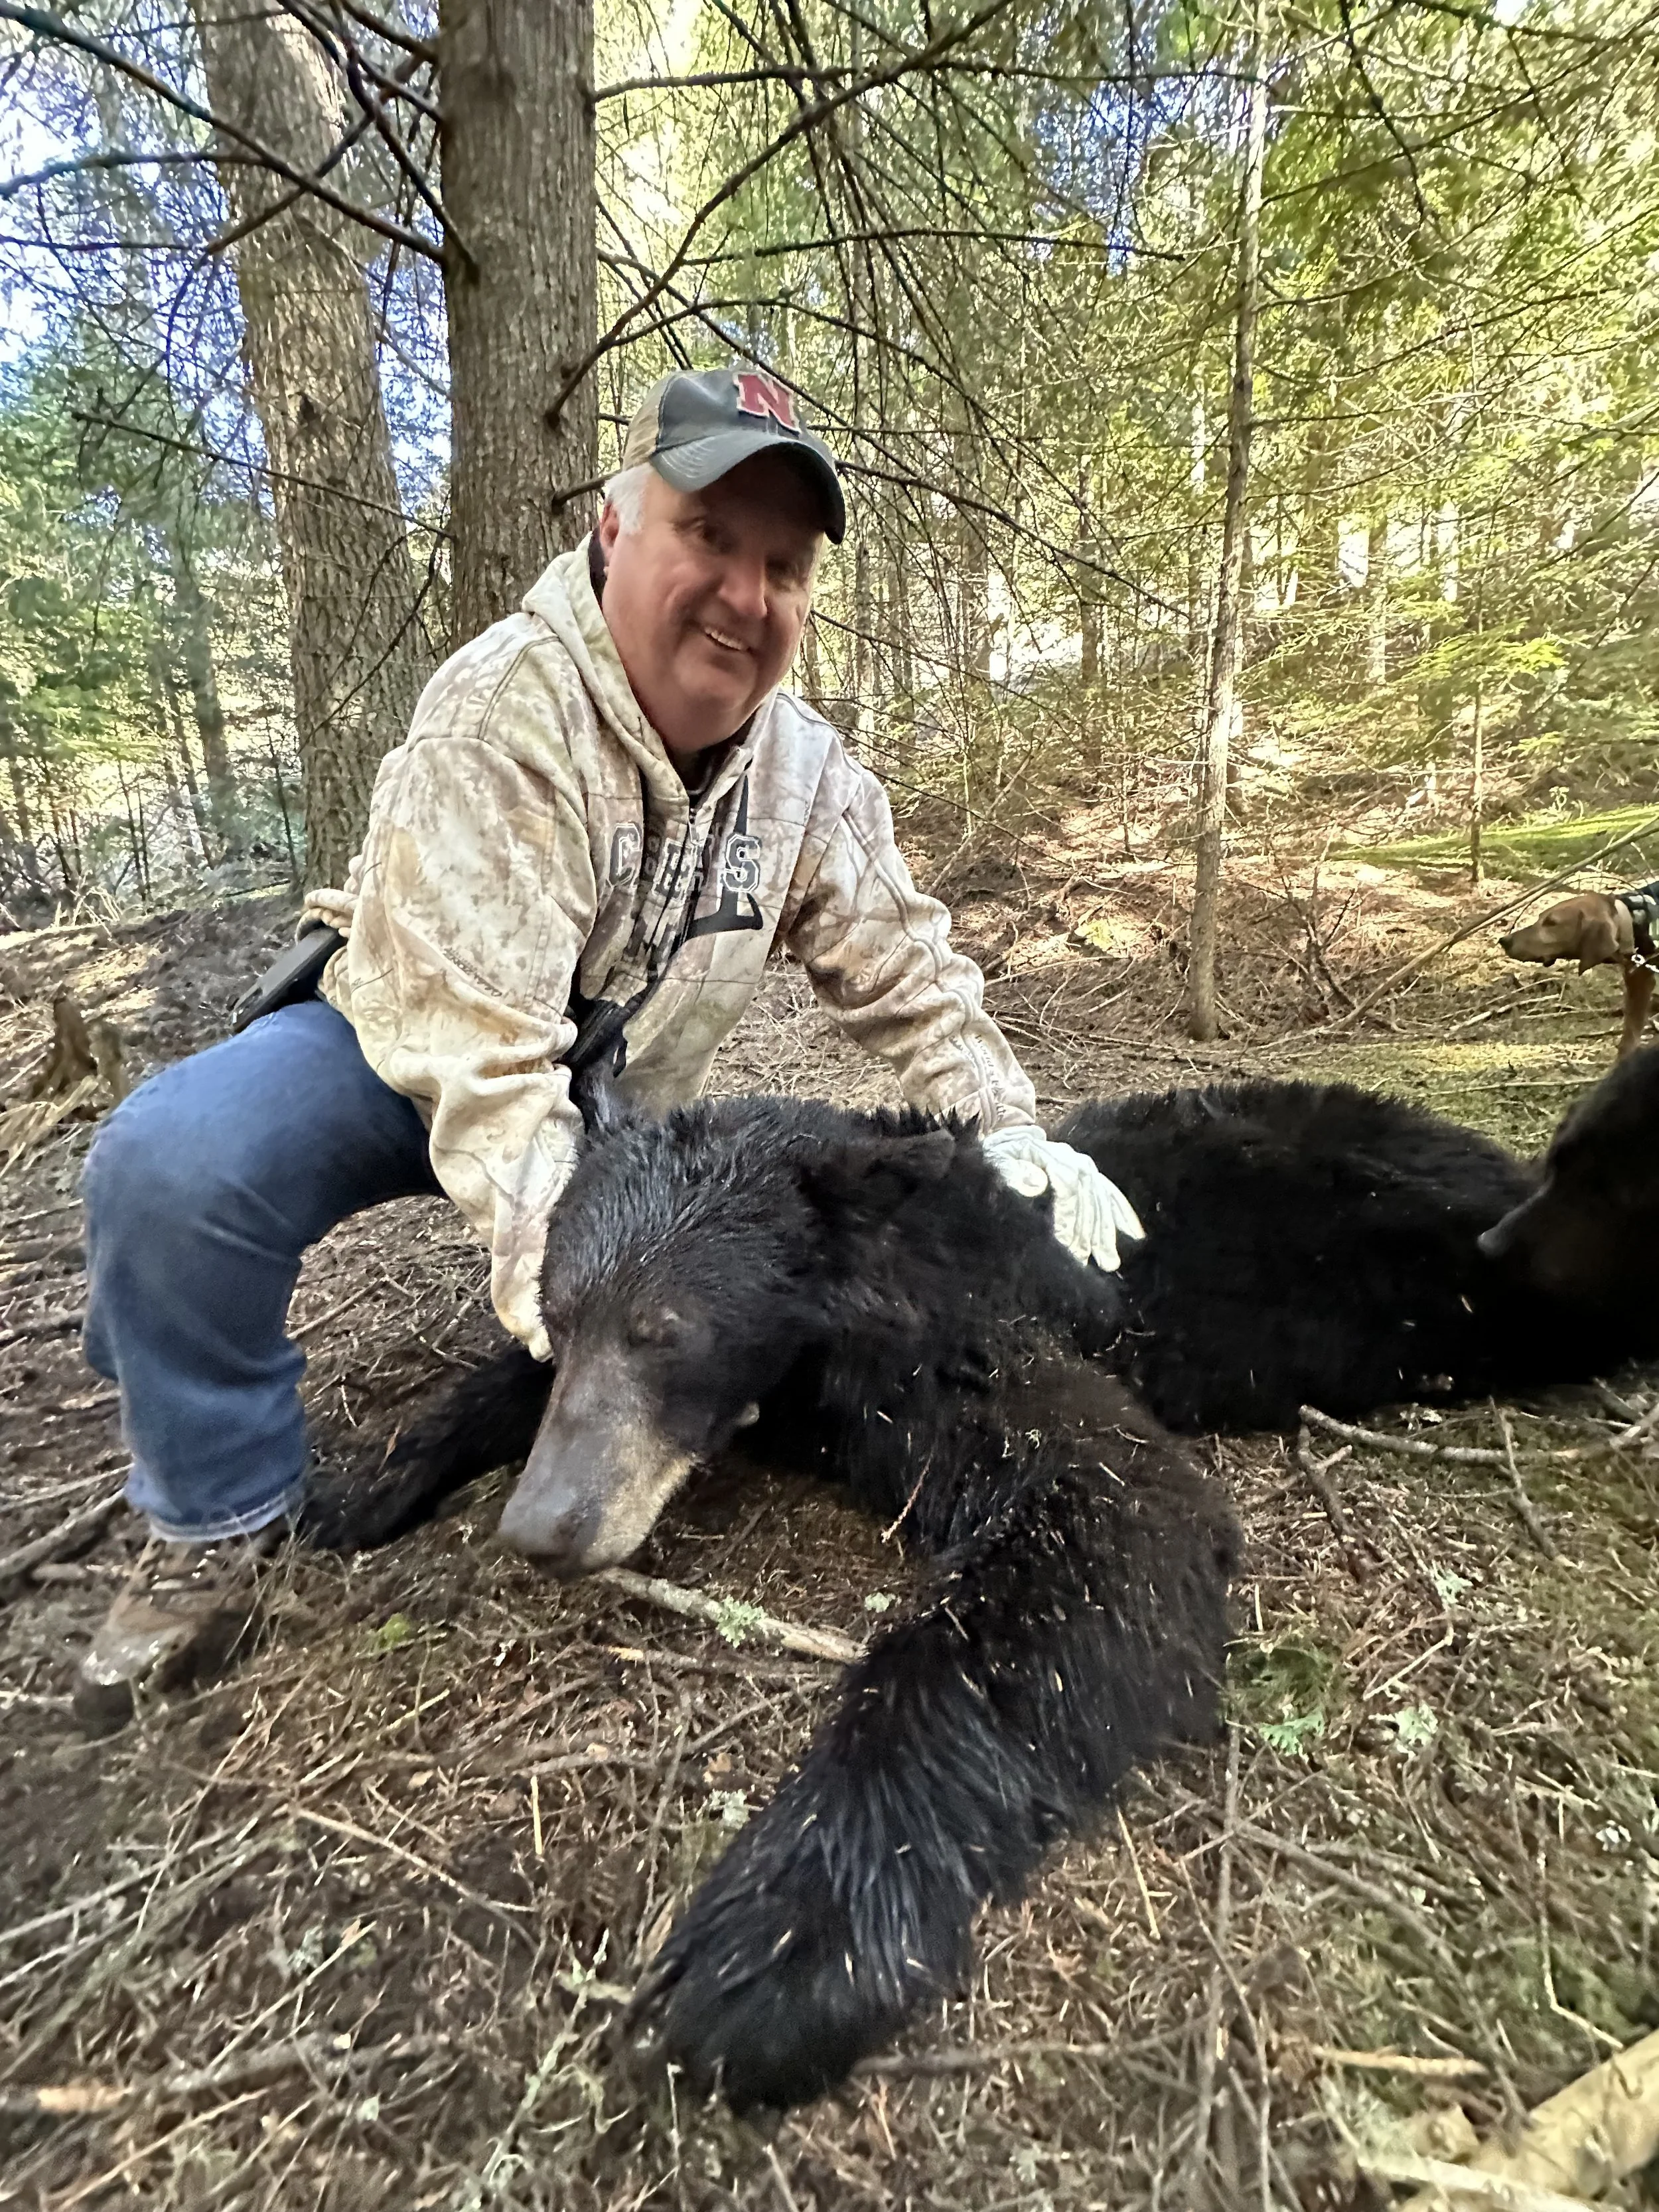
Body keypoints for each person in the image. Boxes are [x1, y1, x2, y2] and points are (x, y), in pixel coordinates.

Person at [73, 365, 1143, 1728]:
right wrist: (575, 1312)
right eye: (709, 536)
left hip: (617, 1111)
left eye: (782, 565)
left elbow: (906, 967)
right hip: (409, 1050)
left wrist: (1005, 1125)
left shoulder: (804, 777)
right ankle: (215, 1510)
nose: (744, 595)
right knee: (170, 1166)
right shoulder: (504, 709)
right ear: (616, 525)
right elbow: (488, 1077)